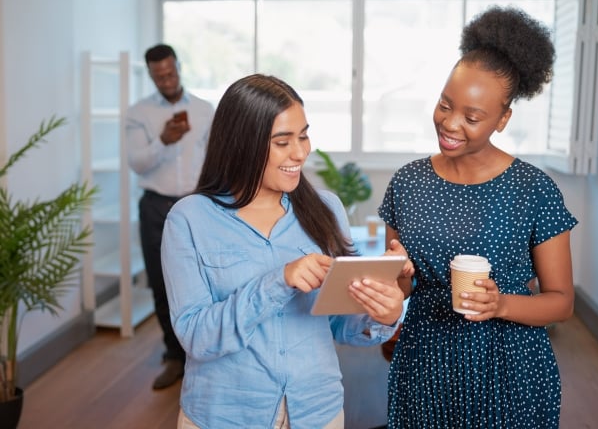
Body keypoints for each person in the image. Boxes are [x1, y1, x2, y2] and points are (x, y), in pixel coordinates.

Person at [160, 73, 413, 429]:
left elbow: (344, 325)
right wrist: (278, 281)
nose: (300, 152)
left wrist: (384, 312)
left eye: (304, 135)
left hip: (317, 412)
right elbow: (196, 337)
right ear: (241, 144)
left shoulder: (326, 208)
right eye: (283, 141)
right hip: (225, 415)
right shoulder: (189, 219)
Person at [379, 6, 578, 428]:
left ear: (503, 119)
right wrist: (397, 276)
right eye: (444, 105)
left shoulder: (533, 190)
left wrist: (501, 303)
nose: (450, 124)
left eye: (472, 118)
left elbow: (561, 302)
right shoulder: (408, 183)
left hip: (512, 370)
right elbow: (401, 286)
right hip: (425, 365)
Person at [125, 43, 214, 390]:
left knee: (205, 278)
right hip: (157, 207)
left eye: (170, 72)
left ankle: (203, 353)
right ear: (150, 75)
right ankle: (174, 356)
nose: (166, 80)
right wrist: (163, 140)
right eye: (158, 76)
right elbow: (137, 163)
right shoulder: (138, 113)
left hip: (198, 204)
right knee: (161, 283)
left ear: (178, 66)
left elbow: (217, 158)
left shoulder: (206, 110)